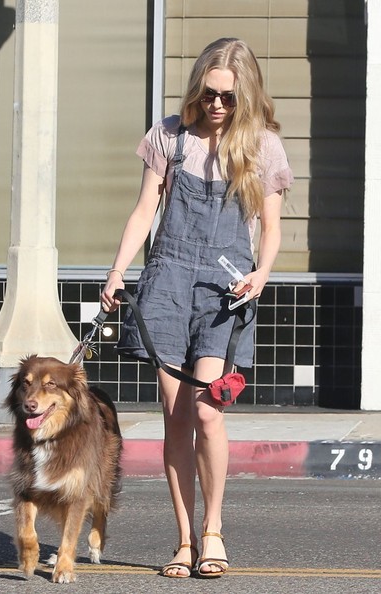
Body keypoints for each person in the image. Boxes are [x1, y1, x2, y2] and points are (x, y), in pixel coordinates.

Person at [101, 37, 293, 578]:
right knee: (177, 415)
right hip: (167, 280)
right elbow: (145, 210)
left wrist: (262, 273)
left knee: (209, 411)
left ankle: (214, 531)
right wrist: (116, 271)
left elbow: (271, 228)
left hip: (226, 289)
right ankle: (185, 540)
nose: (217, 105)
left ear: (245, 96)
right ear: (197, 89)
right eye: (209, 93)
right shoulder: (169, 136)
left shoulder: (262, 147)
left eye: (229, 97)